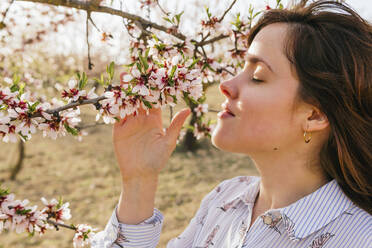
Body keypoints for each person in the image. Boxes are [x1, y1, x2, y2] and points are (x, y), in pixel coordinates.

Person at [92, 1, 372, 247]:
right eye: (241, 68)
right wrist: (139, 181)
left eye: (258, 76)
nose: (226, 85)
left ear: (314, 116)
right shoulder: (225, 199)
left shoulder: (360, 237)